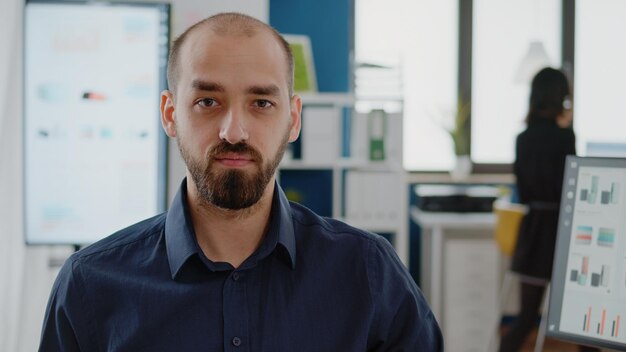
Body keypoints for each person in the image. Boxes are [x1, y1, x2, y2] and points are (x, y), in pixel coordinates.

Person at [39, 12, 442, 351]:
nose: (234, 131)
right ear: (170, 114)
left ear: (294, 118)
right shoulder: (89, 287)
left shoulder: (368, 272)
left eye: (262, 103)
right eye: (208, 102)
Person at [499, 68, 597, 352]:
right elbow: (570, 184)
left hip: (532, 234)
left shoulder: (523, 138)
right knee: (581, 322)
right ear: (561, 98)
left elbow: (523, 186)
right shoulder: (565, 137)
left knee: (526, 317)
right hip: (562, 232)